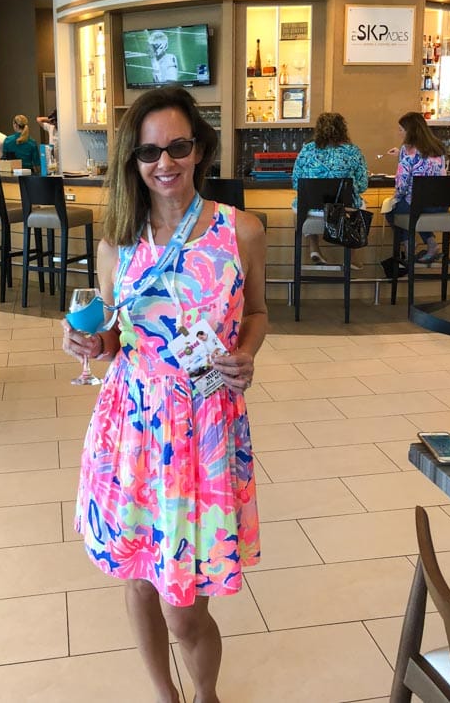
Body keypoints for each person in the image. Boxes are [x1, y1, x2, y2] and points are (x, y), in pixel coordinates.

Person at [62, 86, 267, 703]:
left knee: (186, 609)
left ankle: (206, 696)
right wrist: (93, 346)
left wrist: (247, 353)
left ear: (199, 149)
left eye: (178, 146)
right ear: (133, 161)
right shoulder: (117, 241)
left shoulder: (242, 232)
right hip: (133, 430)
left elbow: (256, 314)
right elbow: (115, 335)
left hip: (203, 429)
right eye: (149, 152)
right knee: (138, 580)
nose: (164, 163)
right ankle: (165, 696)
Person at [291, 111, 368, 265]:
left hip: (311, 210)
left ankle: (314, 246)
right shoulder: (353, 151)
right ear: (343, 129)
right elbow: (362, 185)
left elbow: (296, 183)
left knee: (302, 202)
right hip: (343, 209)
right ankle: (351, 254)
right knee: (359, 204)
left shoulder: (307, 150)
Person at [385, 110, 447, 263]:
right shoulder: (438, 149)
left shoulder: (408, 153)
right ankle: (431, 244)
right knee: (414, 209)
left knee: (393, 210)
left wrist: (395, 199)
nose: (399, 133)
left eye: (401, 129)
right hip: (440, 204)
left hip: (418, 204)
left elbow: (402, 186)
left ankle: (409, 246)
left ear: (410, 132)